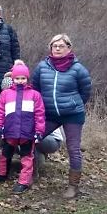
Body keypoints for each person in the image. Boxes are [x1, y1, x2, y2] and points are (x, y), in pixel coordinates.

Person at [32, 34, 92, 199]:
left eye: (61, 46)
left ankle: (73, 186)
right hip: (50, 114)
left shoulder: (78, 69)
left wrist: (73, 103)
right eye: (54, 46)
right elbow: (35, 88)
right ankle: (29, 173)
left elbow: (85, 91)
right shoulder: (43, 66)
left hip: (73, 114)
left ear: (68, 48)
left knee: (73, 149)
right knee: (31, 138)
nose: (57, 48)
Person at [0, 62, 45, 193]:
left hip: (27, 131)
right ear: (12, 79)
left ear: (27, 79)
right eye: (17, 78)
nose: (20, 81)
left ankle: (24, 181)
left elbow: (40, 114)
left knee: (26, 157)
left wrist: (39, 131)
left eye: (23, 78)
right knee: (5, 153)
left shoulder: (35, 95)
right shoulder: (5, 94)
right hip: (10, 130)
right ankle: (1, 174)